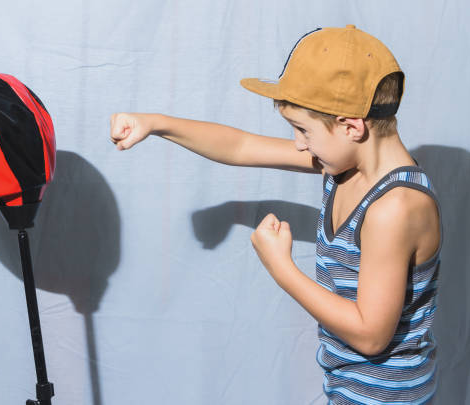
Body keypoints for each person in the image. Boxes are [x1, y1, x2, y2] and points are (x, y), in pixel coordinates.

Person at [109, 25, 442, 404]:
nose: (300, 144)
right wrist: (156, 124)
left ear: (351, 126)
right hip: (349, 388)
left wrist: (280, 267)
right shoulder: (346, 164)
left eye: (303, 130)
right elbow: (241, 146)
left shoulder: (395, 208)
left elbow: (371, 335)